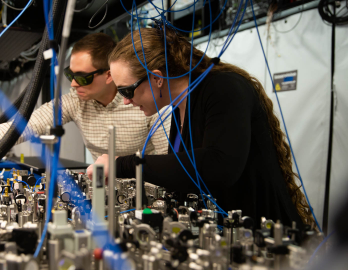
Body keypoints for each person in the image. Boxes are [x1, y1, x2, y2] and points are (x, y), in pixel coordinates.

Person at [87, 27, 314, 228]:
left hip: (264, 234)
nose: (125, 101)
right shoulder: (178, 108)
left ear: (156, 78)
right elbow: (186, 174)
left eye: (127, 91)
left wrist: (124, 164)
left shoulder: (224, 88)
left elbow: (219, 165)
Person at [0, 33, 171, 179]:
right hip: (102, 190)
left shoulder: (146, 101)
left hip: (144, 197)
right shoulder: (76, 100)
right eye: (70, 74)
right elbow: (24, 125)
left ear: (109, 75)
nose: (72, 83)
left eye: (82, 77)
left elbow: (168, 161)